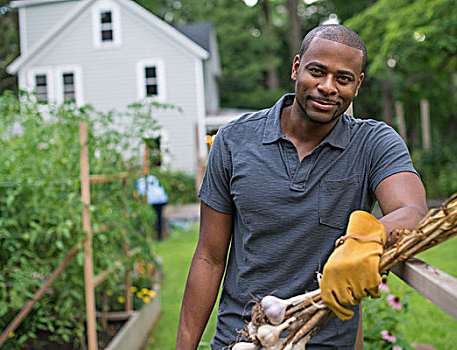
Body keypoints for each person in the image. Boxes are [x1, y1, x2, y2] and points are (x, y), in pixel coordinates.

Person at [176, 24, 427, 349]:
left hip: (325, 343)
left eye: (343, 78)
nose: (327, 87)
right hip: (242, 340)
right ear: (296, 67)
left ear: (358, 84)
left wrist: (366, 237)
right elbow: (209, 257)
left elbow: (414, 211)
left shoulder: (373, 144)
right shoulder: (234, 141)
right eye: (317, 71)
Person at [136, 174, 168, 240]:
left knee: (151, 218)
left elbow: (141, 192)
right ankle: (158, 237)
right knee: (158, 218)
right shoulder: (153, 177)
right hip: (161, 199)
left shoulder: (141, 180)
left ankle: (151, 236)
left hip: (152, 200)